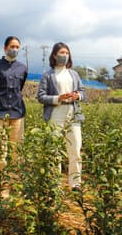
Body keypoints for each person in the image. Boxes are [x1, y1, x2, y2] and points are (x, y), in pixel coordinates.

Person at [37, 42, 85, 191]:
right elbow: (41, 96)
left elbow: (83, 92)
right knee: (54, 149)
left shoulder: (74, 74)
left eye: (66, 52)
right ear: (54, 55)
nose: (64, 55)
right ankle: (55, 182)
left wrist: (77, 96)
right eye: (61, 53)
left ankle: (75, 183)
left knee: (75, 148)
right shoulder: (48, 75)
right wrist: (58, 98)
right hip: (55, 113)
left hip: (73, 113)